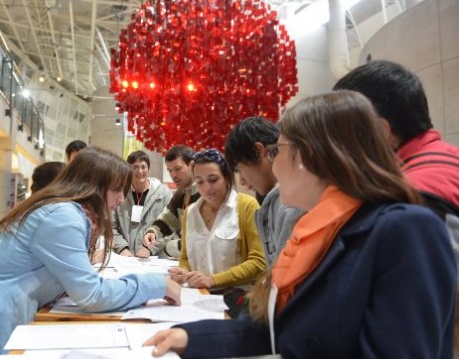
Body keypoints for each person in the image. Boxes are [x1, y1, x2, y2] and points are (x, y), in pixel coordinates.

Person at [144, 91, 456, 358]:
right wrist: (193, 338)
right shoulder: (319, 226)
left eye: (278, 151)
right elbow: (284, 326)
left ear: (310, 156)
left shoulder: (405, 230)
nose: (273, 163)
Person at [0, 147, 182, 358]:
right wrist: (157, 285)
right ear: (94, 185)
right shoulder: (63, 216)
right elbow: (91, 295)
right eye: (117, 190)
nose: (119, 199)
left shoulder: (67, 212)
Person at [333, 60, 459, 207]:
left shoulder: (410, 195)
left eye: (340, 129)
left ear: (380, 130)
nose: (338, 144)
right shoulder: (448, 157)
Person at [168, 148, 265, 293]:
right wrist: (183, 270)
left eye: (213, 180)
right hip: (198, 293)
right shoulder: (191, 212)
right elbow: (185, 257)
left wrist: (212, 280)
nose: (206, 188)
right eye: (200, 182)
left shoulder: (246, 206)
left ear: (226, 178)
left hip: (236, 294)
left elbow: (258, 262)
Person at [224, 117, 304, 268]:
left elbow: (283, 280)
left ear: (259, 151)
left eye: (240, 170)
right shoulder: (274, 201)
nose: (242, 181)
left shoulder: (290, 203)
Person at [141, 145, 200, 258]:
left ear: (192, 166)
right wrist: (152, 232)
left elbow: (200, 240)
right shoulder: (180, 194)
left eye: (177, 169)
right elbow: (167, 221)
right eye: (170, 171)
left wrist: (169, 247)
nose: (173, 175)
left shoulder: (205, 194)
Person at [112, 151, 172, 256]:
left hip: (154, 259)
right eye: (135, 167)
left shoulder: (164, 193)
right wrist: (122, 248)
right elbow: (111, 226)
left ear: (149, 169)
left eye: (143, 167)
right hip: (124, 258)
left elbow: (170, 229)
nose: (139, 171)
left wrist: (149, 249)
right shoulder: (119, 193)